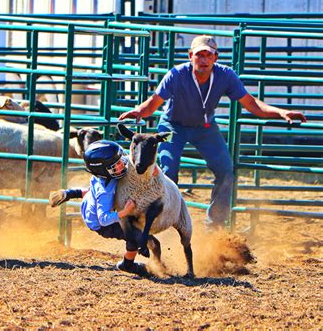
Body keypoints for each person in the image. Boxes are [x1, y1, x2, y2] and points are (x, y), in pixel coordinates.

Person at [119, 35, 307, 229]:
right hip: (173, 126)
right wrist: (139, 110)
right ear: (190, 56)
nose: (204, 60)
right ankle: (161, 220)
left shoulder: (225, 75)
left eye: (208, 55)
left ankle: (215, 226)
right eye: (199, 55)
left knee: (226, 171)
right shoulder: (176, 74)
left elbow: (252, 105)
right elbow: (152, 104)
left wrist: (281, 112)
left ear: (215, 58)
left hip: (205, 127)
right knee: (168, 172)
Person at [49, 140, 147, 276]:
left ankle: (70, 193)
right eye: (116, 165)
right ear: (103, 170)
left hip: (92, 203)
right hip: (100, 224)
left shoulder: (103, 176)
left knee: (93, 193)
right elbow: (103, 219)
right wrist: (125, 212)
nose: (122, 165)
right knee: (134, 236)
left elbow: (92, 191)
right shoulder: (105, 192)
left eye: (120, 160)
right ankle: (128, 265)